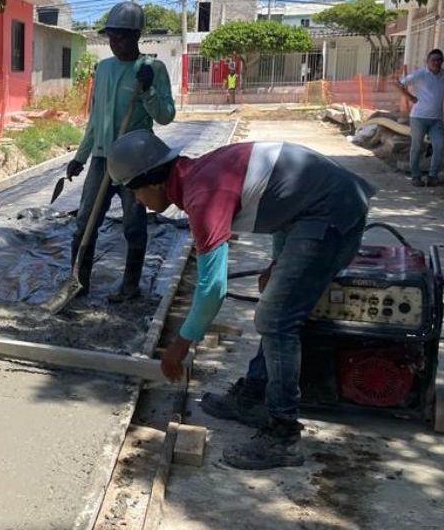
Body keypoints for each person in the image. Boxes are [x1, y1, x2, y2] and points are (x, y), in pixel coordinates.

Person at [104, 129, 376, 470]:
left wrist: (182, 342)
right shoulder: (201, 172)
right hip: (320, 208)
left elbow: (213, 288)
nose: (138, 203)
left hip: (334, 214)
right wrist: (277, 263)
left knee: (276, 319)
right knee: (277, 309)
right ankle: (254, 397)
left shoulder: (202, 196)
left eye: (134, 193)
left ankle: (283, 435)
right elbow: (285, 199)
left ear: (153, 183)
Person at [65, 1, 176, 304]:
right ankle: (78, 281)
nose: (116, 43)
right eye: (112, 37)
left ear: (137, 35)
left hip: (135, 164)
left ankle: (130, 286)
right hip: (102, 159)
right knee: (85, 223)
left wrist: (149, 91)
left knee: (133, 226)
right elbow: (95, 120)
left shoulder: (152, 69)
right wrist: (80, 157)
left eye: (122, 37)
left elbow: (166, 115)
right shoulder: (104, 69)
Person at [395, 49, 444, 186]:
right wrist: (410, 97)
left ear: (442, 61)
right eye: (434, 60)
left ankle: (432, 176)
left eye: (439, 60)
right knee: (417, 147)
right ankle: (415, 176)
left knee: (439, 146)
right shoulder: (420, 74)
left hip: (436, 119)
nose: (436, 62)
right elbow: (399, 84)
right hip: (418, 118)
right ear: (428, 61)